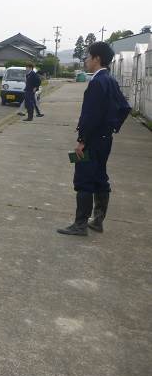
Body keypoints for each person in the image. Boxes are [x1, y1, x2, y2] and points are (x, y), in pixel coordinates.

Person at [57, 42, 131, 236]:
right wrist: (112, 127)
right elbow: (125, 107)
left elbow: (90, 116)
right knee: (99, 177)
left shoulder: (97, 82)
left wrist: (82, 140)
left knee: (83, 179)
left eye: (88, 57)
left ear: (97, 58)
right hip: (104, 139)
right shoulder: (110, 80)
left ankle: (80, 224)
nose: (86, 60)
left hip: (92, 140)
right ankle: (97, 221)